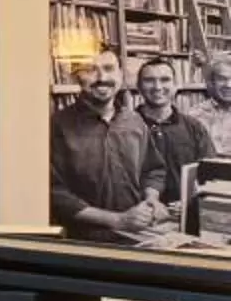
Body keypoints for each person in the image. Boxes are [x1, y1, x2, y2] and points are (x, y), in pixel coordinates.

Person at [50, 46, 162, 241]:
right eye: (90, 69)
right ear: (76, 76)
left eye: (109, 68)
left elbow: (152, 170)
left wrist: (151, 200)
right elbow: (54, 192)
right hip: (83, 241)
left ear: (121, 74)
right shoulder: (56, 126)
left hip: (136, 235)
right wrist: (117, 220)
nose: (102, 77)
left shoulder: (134, 120)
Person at [131, 53, 214, 211]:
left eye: (165, 79)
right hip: (137, 215)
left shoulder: (194, 127)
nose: (157, 87)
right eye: (149, 80)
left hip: (184, 213)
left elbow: (209, 174)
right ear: (139, 87)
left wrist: (191, 202)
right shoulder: (125, 128)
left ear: (176, 85)